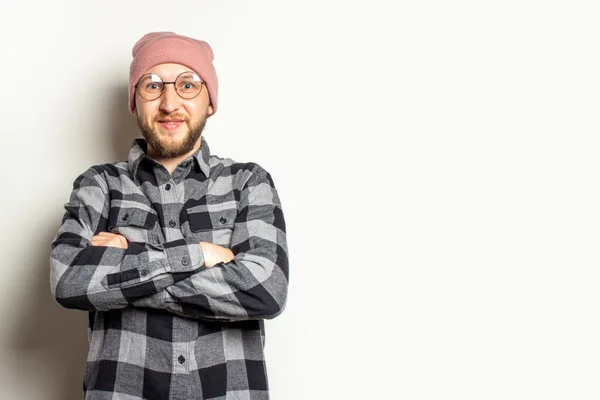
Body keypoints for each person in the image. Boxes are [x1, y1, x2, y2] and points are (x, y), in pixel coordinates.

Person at [50, 31, 289, 400]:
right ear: (134, 102)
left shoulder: (247, 182)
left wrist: (123, 270)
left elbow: (265, 290)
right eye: (152, 86)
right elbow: (68, 279)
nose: (169, 102)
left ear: (210, 102)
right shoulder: (99, 183)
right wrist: (202, 256)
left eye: (188, 85)